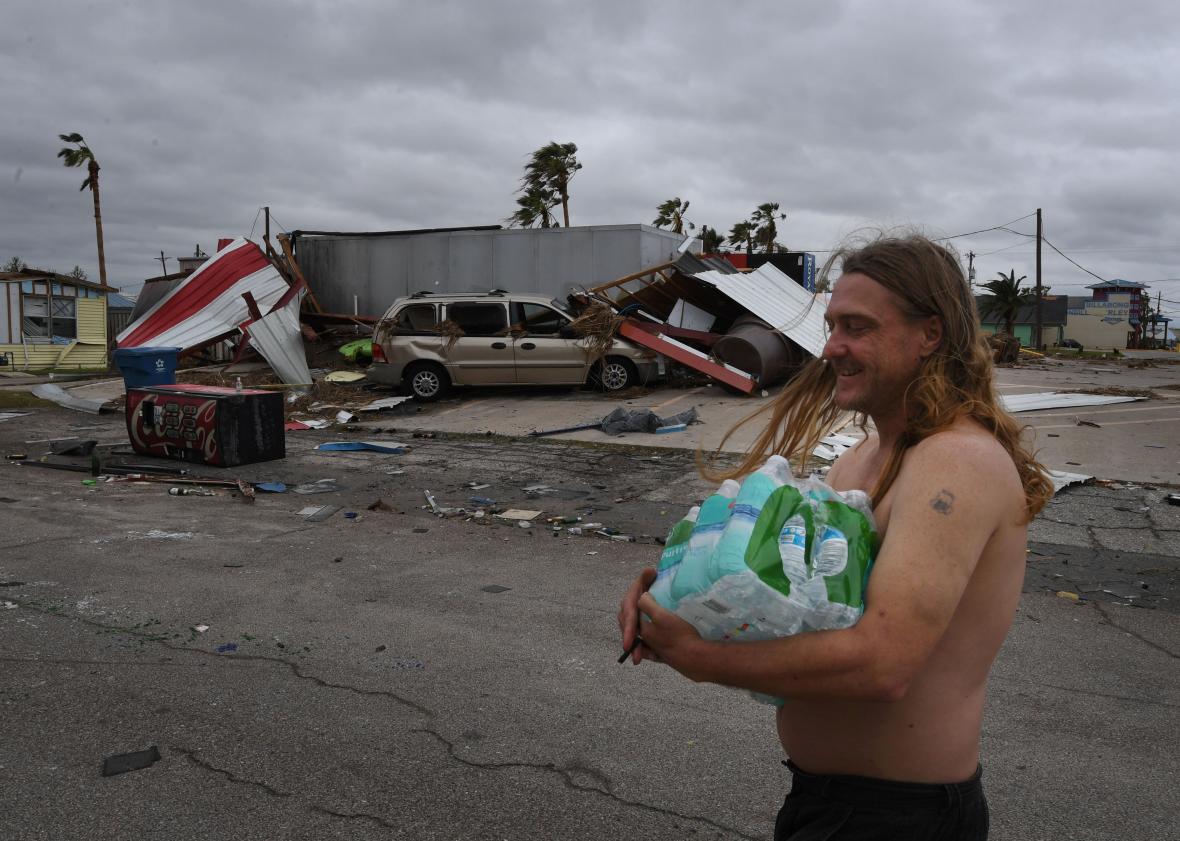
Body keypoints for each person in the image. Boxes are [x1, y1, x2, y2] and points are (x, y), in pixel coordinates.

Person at [617, 233, 1053, 840]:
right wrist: (676, 602)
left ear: (930, 333)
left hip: (900, 817)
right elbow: (802, 606)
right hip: (828, 802)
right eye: (831, 327)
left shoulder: (956, 461)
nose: (831, 348)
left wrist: (704, 660)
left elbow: (883, 664)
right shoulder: (858, 460)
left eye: (857, 327)